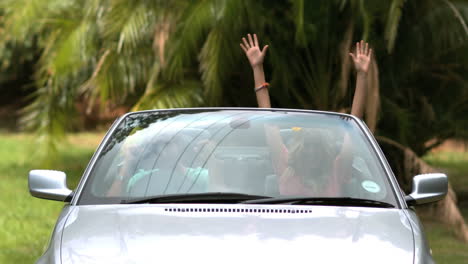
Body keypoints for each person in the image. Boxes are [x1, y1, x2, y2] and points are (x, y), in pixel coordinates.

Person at [240, 33, 372, 196]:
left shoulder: (336, 171)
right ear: (299, 149)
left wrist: (362, 75)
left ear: (325, 151)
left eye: (316, 147)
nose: (312, 152)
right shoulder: (285, 167)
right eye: (308, 146)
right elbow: (268, 121)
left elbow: (353, 126)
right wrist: (257, 68)